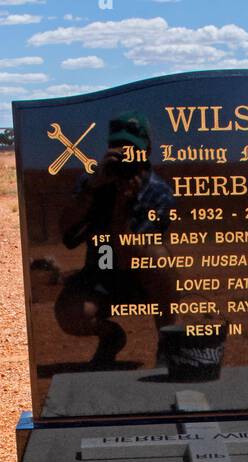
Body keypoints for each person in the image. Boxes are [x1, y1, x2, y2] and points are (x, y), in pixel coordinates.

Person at [54, 112, 176, 367]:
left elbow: (131, 257)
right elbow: (66, 230)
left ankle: (168, 344)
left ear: (147, 150)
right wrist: (92, 189)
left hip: (141, 277)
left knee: (160, 262)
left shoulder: (158, 192)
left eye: (133, 150)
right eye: (119, 149)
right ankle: (111, 337)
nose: (125, 157)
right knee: (72, 313)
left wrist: (122, 207)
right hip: (100, 274)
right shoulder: (94, 181)